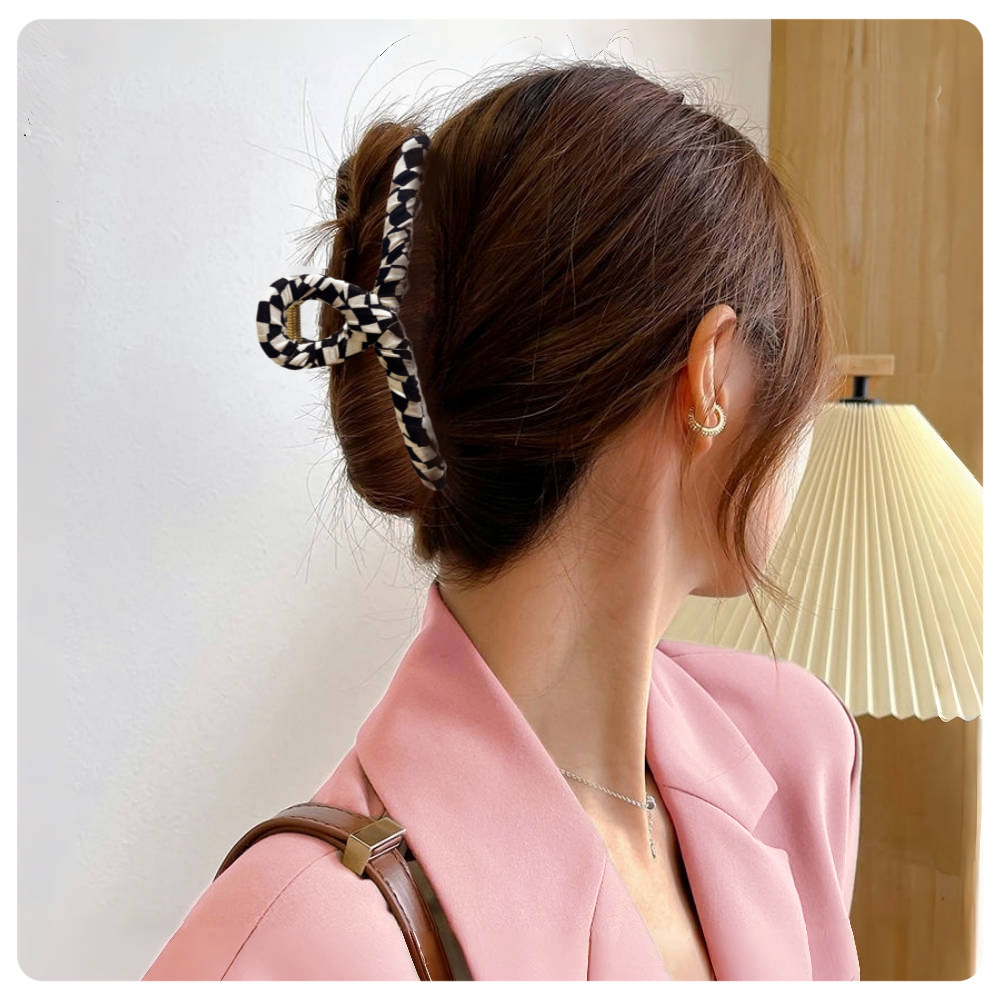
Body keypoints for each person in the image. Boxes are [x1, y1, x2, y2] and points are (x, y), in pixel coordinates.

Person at [142, 58, 861, 981]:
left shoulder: (797, 751)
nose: (803, 426)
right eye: (801, 376)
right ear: (711, 373)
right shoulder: (302, 938)